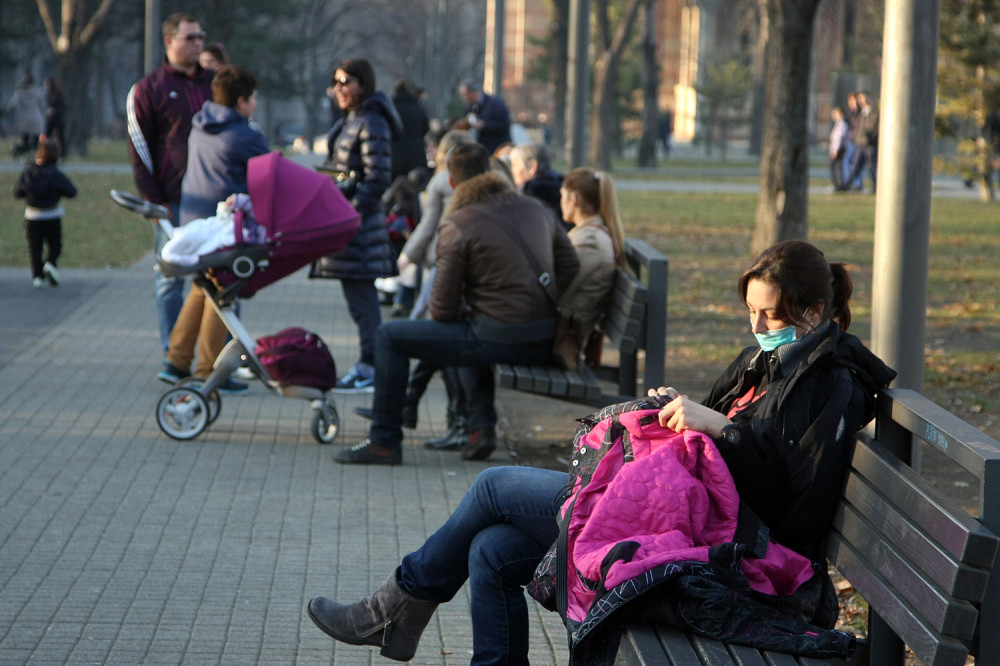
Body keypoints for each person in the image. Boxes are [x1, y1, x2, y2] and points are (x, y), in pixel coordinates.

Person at [307, 240, 897, 664]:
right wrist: (676, 412)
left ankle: (390, 610)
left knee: (492, 489)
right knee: (490, 550)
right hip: (674, 515)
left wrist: (722, 429)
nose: (758, 324)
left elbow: (797, 517)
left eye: (771, 313)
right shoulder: (761, 362)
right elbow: (716, 440)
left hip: (729, 552)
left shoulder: (831, 387)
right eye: (751, 311)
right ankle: (397, 615)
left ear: (815, 312)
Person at [332, 142, 580, 465]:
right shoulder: (535, 208)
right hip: (545, 337)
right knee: (466, 332)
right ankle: (479, 429)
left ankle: (384, 440)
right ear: (491, 173)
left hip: (500, 338)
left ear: (451, 182)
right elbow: (570, 266)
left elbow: (442, 310)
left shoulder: (459, 224)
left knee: (388, 337)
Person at [157, 65, 270, 393]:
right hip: (220, 227)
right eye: (254, 98)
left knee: (201, 288)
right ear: (241, 101)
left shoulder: (200, 124)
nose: (256, 103)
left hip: (192, 221)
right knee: (223, 294)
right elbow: (268, 174)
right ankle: (209, 369)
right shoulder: (246, 136)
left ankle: (175, 361)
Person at [309, 58, 401, 393]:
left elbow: (378, 179)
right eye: (335, 82)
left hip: (359, 228)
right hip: (353, 224)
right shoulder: (354, 119)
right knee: (360, 302)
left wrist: (350, 213)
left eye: (346, 81)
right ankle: (371, 365)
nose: (339, 88)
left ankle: (372, 367)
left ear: (365, 83)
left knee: (363, 304)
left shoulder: (371, 122)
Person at [127, 12, 214, 355]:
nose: (198, 43)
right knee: (170, 281)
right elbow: (139, 149)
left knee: (221, 280)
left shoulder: (214, 83)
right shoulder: (150, 89)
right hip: (172, 202)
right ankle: (175, 355)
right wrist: (152, 200)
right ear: (170, 41)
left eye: (200, 37)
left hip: (214, 201)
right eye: (190, 37)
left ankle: (218, 360)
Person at [557, 167, 627, 367]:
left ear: (573, 200)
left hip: (562, 339)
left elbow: (558, 289)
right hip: (565, 330)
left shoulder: (590, 241)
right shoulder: (589, 234)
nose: (560, 202)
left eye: (562, 196)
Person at [13, 139, 76, 288]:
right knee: (55, 245)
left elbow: (17, 192)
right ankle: (50, 263)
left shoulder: (28, 172)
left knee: (35, 247)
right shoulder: (54, 173)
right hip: (52, 214)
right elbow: (72, 191)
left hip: (32, 215)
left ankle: (37, 277)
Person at [508, 142, 564, 228]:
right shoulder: (563, 191)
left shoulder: (529, 197)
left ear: (532, 167)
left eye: (514, 165)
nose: (512, 171)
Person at [458, 80, 511, 154]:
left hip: (497, 148)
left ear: (474, 92)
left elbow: (504, 124)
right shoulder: (469, 107)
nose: (464, 98)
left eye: (466, 94)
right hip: (480, 148)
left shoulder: (494, 103)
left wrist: (484, 125)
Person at [842, 92, 878, 193]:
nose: (860, 101)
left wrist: (869, 136)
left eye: (862, 98)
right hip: (860, 143)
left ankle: (876, 186)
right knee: (854, 165)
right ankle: (846, 185)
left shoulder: (872, 111)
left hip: (869, 143)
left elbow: (872, 126)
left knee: (873, 166)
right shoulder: (861, 112)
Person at [6, 74, 46, 158]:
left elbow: (13, 103)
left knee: (25, 140)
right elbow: (43, 105)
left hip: (25, 117)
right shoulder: (37, 91)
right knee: (35, 140)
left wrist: (9, 109)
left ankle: (26, 155)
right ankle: (35, 156)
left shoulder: (20, 91)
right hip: (35, 116)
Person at [42, 77, 66, 158]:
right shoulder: (47, 95)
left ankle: (62, 155)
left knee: (61, 138)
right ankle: (45, 153)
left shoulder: (59, 95)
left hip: (58, 119)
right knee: (46, 137)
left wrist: (54, 110)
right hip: (50, 120)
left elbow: (63, 107)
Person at [828, 106, 850, 191]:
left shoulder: (842, 125)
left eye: (835, 114)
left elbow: (839, 139)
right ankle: (838, 184)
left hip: (839, 149)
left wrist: (835, 150)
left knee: (834, 166)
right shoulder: (838, 124)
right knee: (837, 166)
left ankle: (837, 184)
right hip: (837, 149)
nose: (833, 116)